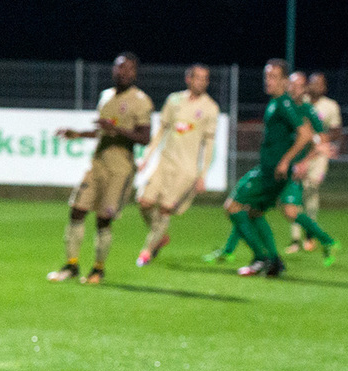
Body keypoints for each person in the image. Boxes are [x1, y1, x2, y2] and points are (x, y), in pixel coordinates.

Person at [48, 53, 153, 285]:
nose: (123, 72)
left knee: (103, 219)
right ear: (113, 70)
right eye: (120, 67)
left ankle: (98, 269)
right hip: (97, 164)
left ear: (135, 73)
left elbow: (145, 137)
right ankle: (71, 265)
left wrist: (117, 130)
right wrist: (78, 134)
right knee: (77, 210)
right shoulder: (106, 95)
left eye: (129, 69)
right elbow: (103, 130)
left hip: (120, 169)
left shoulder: (141, 101)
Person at [218, 59, 314, 277]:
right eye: (266, 76)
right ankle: (274, 261)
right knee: (254, 212)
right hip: (268, 169)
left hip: (272, 172)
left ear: (284, 81)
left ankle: (260, 258)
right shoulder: (275, 102)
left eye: (273, 77)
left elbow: (305, 134)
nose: (267, 81)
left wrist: (285, 160)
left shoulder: (284, 104)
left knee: (232, 207)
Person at [134, 63, 219, 267]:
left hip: (186, 169)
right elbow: (161, 130)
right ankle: (159, 235)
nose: (202, 82)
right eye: (198, 77)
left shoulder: (210, 108)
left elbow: (209, 144)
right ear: (188, 79)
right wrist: (146, 157)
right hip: (164, 163)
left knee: (165, 208)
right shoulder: (174, 100)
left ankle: (147, 251)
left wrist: (203, 174)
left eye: (205, 79)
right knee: (144, 202)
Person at [288, 72, 341, 252]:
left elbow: (335, 131)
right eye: (313, 83)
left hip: (319, 156)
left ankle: (310, 235)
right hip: (301, 153)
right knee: (296, 191)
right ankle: (295, 239)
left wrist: (321, 140)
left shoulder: (330, 106)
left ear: (325, 87)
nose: (316, 86)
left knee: (311, 188)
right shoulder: (301, 103)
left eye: (320, 83)